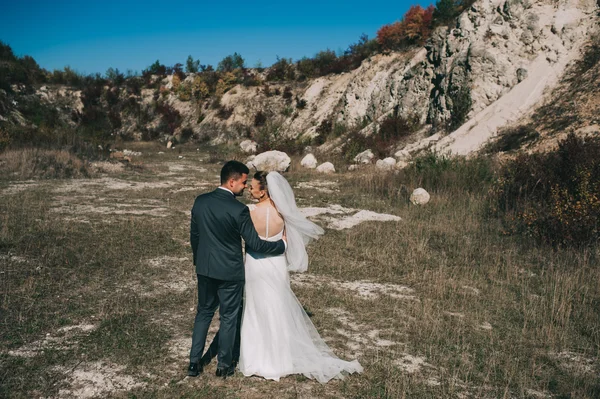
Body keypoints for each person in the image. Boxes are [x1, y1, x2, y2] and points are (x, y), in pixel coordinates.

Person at [238, 171, 363, 382]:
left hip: (255, 264)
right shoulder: (284, 214)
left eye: (253, 187)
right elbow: (289, 240)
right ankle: (281, 360)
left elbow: (248, 239)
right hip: (277, 264)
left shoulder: (248, 211)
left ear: (263, 191)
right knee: (277, 306)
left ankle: (257, 359)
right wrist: (284, 243)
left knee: (256, 307)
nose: (250, 189)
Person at [188, 161, 286, 379]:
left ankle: (194, 363)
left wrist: (199, 260)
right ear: (231, 181)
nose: (245, 187)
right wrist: (282, 245)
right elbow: (257, 244)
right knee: (229, 316)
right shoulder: (238, 210)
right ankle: (223, 366)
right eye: (243, 182)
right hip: (230, 273)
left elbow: (194, 236)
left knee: (203, 313)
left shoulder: (200, 201)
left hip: (204, 269)